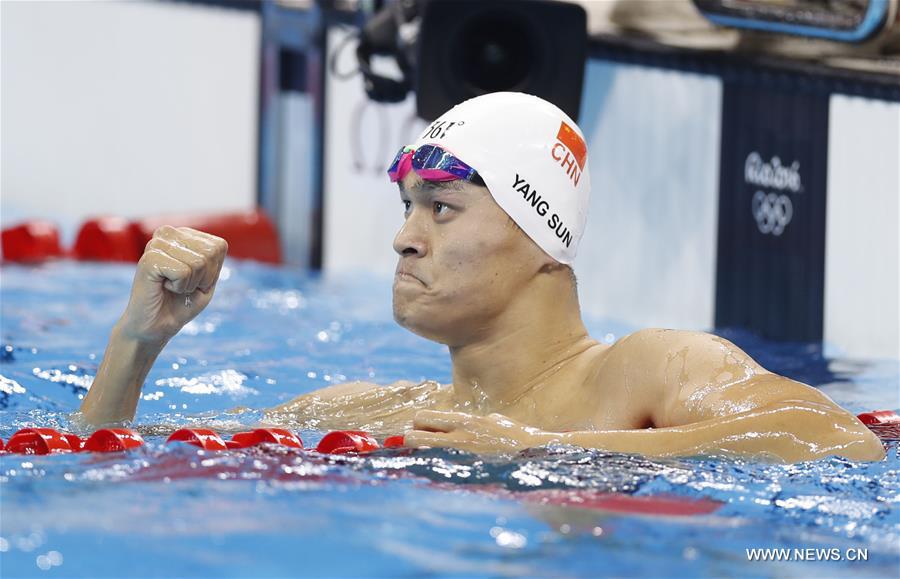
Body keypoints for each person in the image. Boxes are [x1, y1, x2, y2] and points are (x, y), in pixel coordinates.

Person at [79, 92, 885, 463]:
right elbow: (97, 461)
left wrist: (552, 447)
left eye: (443, 209)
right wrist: (135, 342)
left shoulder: (646, 367)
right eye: (405, 207)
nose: (403, 238)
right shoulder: (376, 408)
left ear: (543, 237)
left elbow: (837, 439)